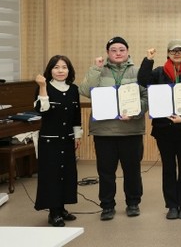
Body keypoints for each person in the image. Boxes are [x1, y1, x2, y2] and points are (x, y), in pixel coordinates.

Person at [79, 36, 148, 221]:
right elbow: (85, 91)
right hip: (104, 131)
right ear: (107, 53)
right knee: (106, 172)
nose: (118, 53)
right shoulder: (98, 71)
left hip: (131, 130)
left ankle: (133, 203)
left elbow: (147, 97)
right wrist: (95, 69)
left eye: (121, 50)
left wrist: (135, 112)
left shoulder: (138, 71)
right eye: (113, 50)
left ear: (128, 52)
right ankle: (107, 206)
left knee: (132, 170)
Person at [137, 40, 181, 220]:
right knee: (168, 168)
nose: (176, 53)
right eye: (173, 51)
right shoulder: (159, 72)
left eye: (180, 50)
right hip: (163, 129)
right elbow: (142, 81)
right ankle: (172, 206)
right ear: (168, 53)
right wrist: (148, 60)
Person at [34, 55, 83, 227]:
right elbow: (42, 110)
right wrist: (42, 87)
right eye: (56, 67)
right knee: (52, 175)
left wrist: (77, 135)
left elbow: (76, 115)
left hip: (67, 139)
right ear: (50, 70)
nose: (60, 70)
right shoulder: (43, 87)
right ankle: (53, 212)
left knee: (67, 174)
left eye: (64, 67)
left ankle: (61, 208)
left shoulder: (73, 89)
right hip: (50, 141)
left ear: (69, 70)